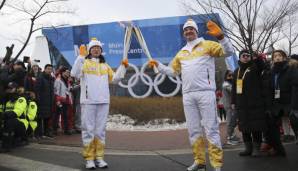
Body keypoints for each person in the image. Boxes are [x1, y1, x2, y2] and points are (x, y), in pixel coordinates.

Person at [149, 19, 234, 171]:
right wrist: (159, 66)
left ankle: (216, 164)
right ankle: (199, 161)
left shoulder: (208, 45)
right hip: (188, 95)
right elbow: (173, 71)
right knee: (193, 130)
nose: (188, 31)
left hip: (205, 92)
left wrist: (221, 37)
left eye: (191, 29)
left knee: (211, 129)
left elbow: (228, 52)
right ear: (184, 33)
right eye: (186, 30)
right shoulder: (181, 53)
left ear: (196, 31)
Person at [71, 38, 128, 169]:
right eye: (93, 48)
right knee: (88, 130)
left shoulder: (105, 65)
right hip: (88, 101)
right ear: (90, 50)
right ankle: (89, 158)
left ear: (101, 50)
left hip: (103, 101)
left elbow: (114, 79)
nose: (96, 49)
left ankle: (99, 157)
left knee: (100, 131)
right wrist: (80, 57)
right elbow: (74, 73)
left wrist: (123, 67)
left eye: (98, 48)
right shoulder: (84, 62)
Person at [231, 50, 267, 157]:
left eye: (248, 55)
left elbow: (262, 66)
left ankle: (257, 149)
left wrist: (258, 57)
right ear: (240, 57)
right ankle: (248, 148)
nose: (246, 57)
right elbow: (234, 88)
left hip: (255, 103)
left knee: (256, 127)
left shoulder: (254, 67)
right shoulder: (236, 71)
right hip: (241, 104)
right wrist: (233, 101)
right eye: (243, 55)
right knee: (244, 127)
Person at [0, 82, 28, 153]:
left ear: (16, 89)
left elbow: (17, 112)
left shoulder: (21, 99)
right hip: (9, 123)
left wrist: (4, 115)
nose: (9, 90)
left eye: (11, 88)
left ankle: (6, 146)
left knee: (10, 121)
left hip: (21, 123)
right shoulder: (7, 102)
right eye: (8, 89)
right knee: (7, 121)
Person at [35, 64, 55, 138]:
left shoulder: (51, 78)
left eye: (51, 69)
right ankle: (39, 133)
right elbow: (37, 90)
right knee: (40, 118)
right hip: (42, 101)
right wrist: (38, 100)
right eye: (48, 69)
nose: (50, 70)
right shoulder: (40, 78)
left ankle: (46, 132)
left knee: (47, 117)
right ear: (45, 69)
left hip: (49, 101)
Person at [222, 70, 239, 145]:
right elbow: (233, 90)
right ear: (226, 76)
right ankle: (229, 137)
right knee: (230, 121)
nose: (231, 77)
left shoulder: (229, 83)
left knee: (233, 120)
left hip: (231, 105)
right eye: (229, 75)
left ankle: (232, 135)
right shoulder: (226, 84)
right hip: (229, 106)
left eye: (232, 75)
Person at [53, 67, 72, 135]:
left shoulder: (67, 80)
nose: (68, 73)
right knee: (57, 115)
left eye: (69, 72)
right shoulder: (58, 80)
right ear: (62, 72)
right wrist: (57, 100)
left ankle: (66, 129)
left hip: (66, 100)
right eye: (67, 72)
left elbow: (68, 90)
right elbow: (56, 91)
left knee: (65, 115)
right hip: (60, 100)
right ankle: (54, 129)